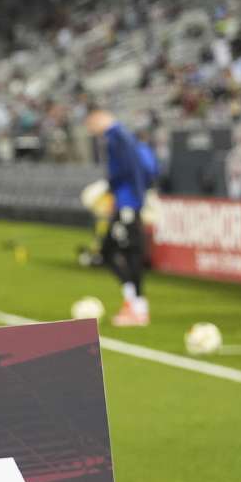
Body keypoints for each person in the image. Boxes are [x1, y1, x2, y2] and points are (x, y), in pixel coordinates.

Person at [87, 108, 153, 327]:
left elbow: (130, 169)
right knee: (116, 251)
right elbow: (147, 168)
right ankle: (133, 303)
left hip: (128, 205)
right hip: (127, 203)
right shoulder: (123, 137)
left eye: (91, 125)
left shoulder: (118, 137)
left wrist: (111, 187)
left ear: (99, 119)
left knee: (123, 252)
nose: (91, 131)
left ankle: (138, 308)